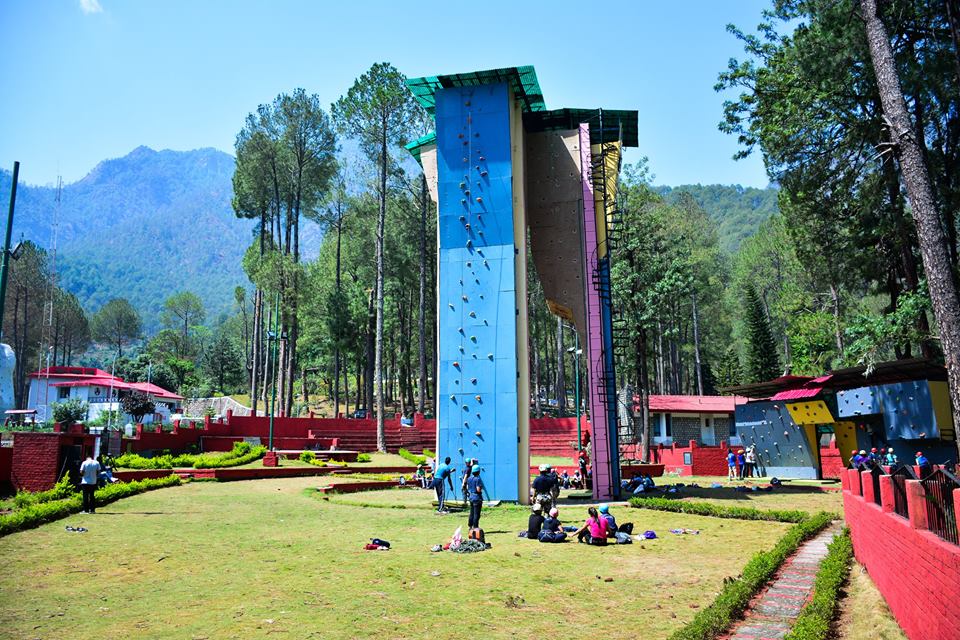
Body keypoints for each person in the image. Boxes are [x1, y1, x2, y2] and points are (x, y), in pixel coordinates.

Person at [466, 464, 486, 529]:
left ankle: (470, 526)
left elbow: (468, 487)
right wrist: (481, 490)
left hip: (471, 497)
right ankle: (475, 527)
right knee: (476, 514)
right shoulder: (478, 479)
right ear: (478, 472)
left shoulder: (469, 478)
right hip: (477, 498)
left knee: (471, 513)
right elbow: (478, 489)